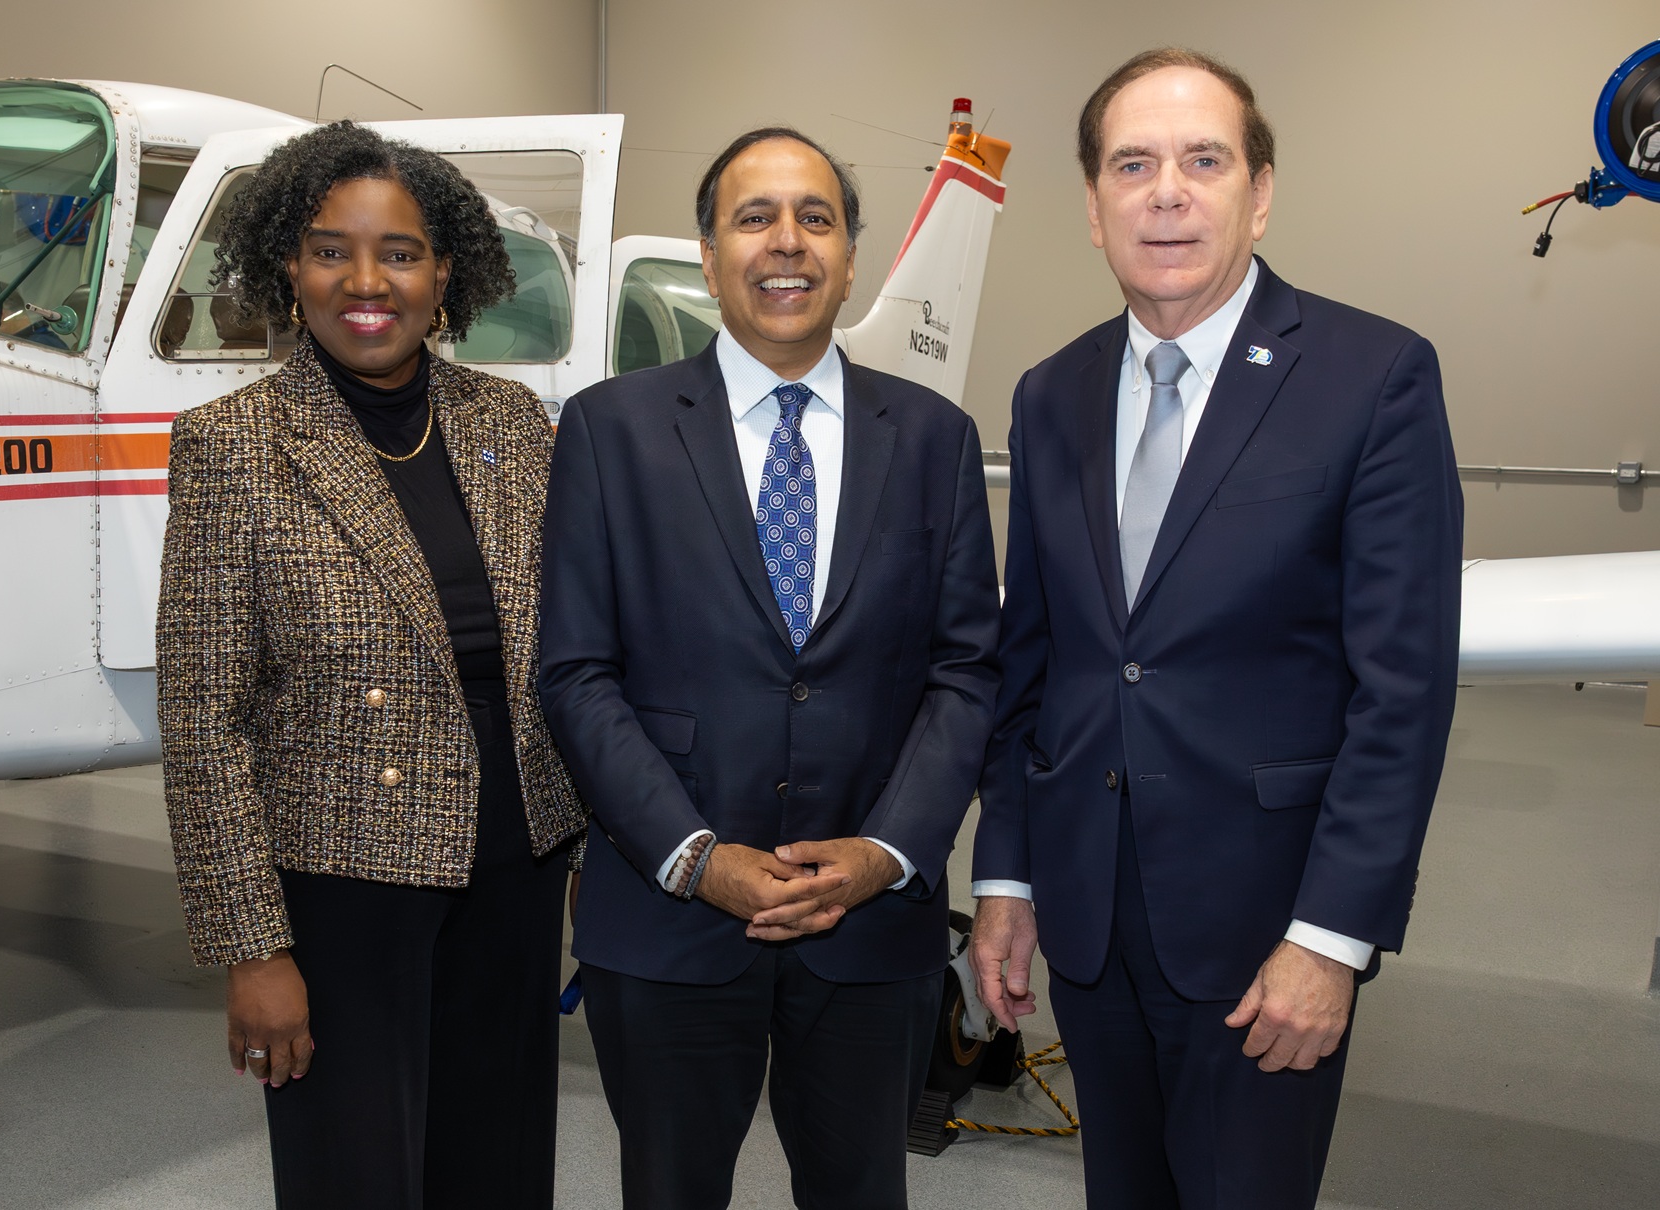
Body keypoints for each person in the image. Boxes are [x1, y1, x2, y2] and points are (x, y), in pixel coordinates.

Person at [969, 48, 1463, 1209]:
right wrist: (1006, 874)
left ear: (1262, 190)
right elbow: (1031, 662)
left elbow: (1402, 693)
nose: (1168, 192)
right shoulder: (1051, 394)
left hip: (1265, 929)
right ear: (1093, 207)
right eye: (1132, 165)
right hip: (1090, 920)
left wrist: (1332, 938)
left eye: (1204, 160)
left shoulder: (1372, 375)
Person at [539, 127, 1000, 1209]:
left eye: (816, 218)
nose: (785, 242)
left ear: (848, 258)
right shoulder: (611, 431)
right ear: (708, 255)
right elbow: (576, 673)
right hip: (668, 918)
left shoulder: (935, 437)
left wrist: (889, 850)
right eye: (754, 218)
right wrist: (696, 856)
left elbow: (967, 670)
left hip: (871, 926)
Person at [157, 120, 584, 1209]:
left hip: (517, 873)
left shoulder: (512, 424)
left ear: (445, 273)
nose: (365, 280)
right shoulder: (233, 444)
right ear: (284, 269)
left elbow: (569, 655)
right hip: (341, 896)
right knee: (354, 1180)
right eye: (328, 248)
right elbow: (206, 721)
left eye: (398, 251)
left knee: (498, 1175)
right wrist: (254, 949)